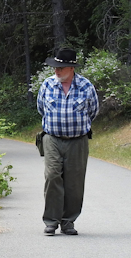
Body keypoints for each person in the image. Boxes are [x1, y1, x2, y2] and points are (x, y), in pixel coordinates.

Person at [36, 47, 99, 236]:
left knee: (74, 181)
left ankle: (68, 221)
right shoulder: (47, 85)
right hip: (52, 138)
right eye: (55, 67)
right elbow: (41, 108)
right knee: (53, 175)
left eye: (60, 68)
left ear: (71, 68)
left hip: (77, 141)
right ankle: (51, 221)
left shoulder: (86, 86)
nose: (56, 71)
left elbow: (93, 111)